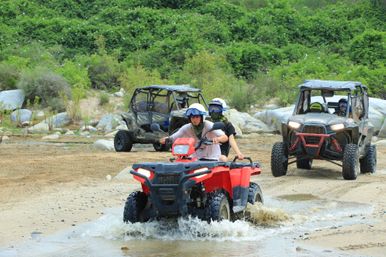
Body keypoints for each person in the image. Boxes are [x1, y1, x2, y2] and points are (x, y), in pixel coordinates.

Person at [159, 103, 228, 160]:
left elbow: (225, 137)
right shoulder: (187, 127)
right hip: (195, 158)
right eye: (192, 117)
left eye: (197, 117)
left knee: (223, 159)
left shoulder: (209, 125)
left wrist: (217, 139)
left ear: (201, 117)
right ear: (190, 118)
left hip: (212, 157)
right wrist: (163, 140)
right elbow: (173, 137)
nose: (194, 120)